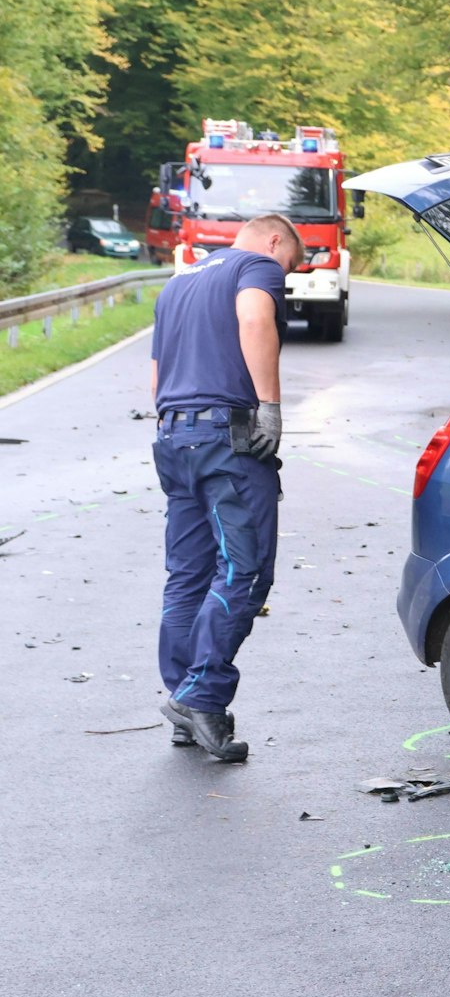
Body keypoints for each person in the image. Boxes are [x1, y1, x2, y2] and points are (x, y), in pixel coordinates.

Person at [151, 213, 304, 762]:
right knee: (245, 570)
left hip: (173, 437)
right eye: (291, 264)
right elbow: (255, 318)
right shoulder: (256, 265)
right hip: (225, 442)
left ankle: (185, 704)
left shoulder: (178, 283)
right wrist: (270, 406)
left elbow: (157, 374)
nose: (286, 275)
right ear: (274, 240)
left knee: (188, 575)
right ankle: (200, 697)